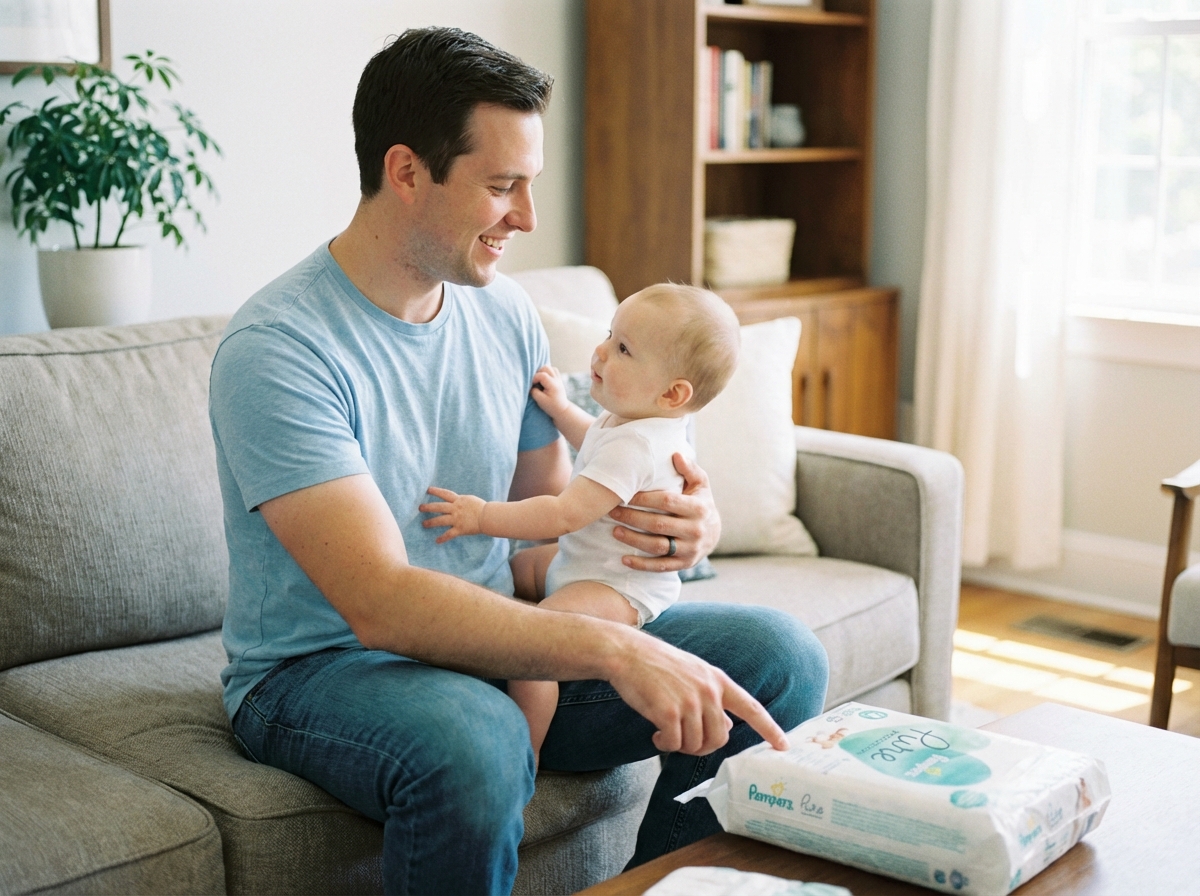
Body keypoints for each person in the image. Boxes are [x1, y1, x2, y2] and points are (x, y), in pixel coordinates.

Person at [208, 25, 829, 895]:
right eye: (502, 187)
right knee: (478, 736)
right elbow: (380, 603)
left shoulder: (506, 318)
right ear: (406, 171)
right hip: (322, 673)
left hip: (496, 641)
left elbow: (537, 548)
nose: (528, 218)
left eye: (528, 185)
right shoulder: (280, 350)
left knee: (777, 656)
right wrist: (612, 654)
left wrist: (659, 532)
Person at [421, 283, 741, 766]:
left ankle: (522, 755)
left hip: (616, 585)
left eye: (624, 350)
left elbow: (563, 513)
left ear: (673, 393)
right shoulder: (630, 422)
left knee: (536, 648)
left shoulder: (639, 446)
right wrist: (560, 409)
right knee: (514, 574)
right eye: (612, 335)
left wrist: (480, 516)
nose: (601, 352)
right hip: (586, 560)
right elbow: (593, 437)